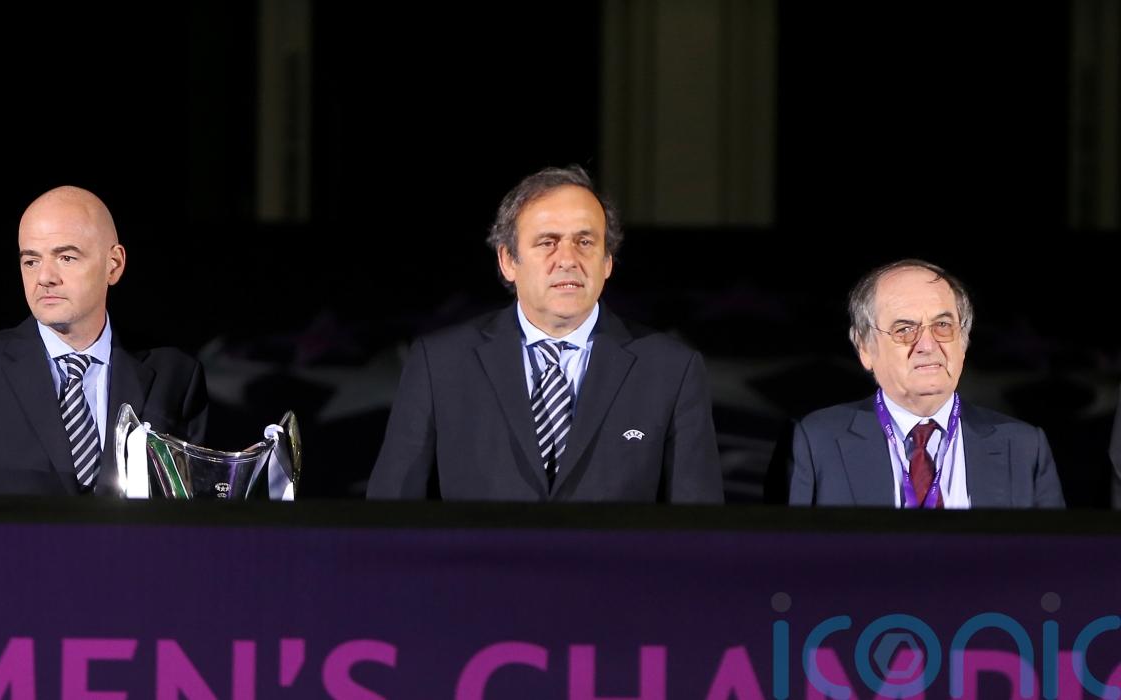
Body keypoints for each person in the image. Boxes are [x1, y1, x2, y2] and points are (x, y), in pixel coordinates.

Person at [367, 165, 724, 502]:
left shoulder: (671, 370)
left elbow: (699, 525)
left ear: (607, 262)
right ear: (508, 260)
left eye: (585, 242)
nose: (567, 259)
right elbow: (389, 514)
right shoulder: (440, 364)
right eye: (547, 242)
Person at [0, 186, 208, 495]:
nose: (45, 277)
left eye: (66, 258)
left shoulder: (175, 376)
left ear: (114, 264)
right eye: (31, 261)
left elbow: (194, 507)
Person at [788, 259, 1064, 508]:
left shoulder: (1024, 447)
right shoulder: (815, 441)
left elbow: (1051, 547)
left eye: (943, 325)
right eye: (905, 329)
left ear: (963, 341)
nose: (928, 345)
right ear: (865, 348)